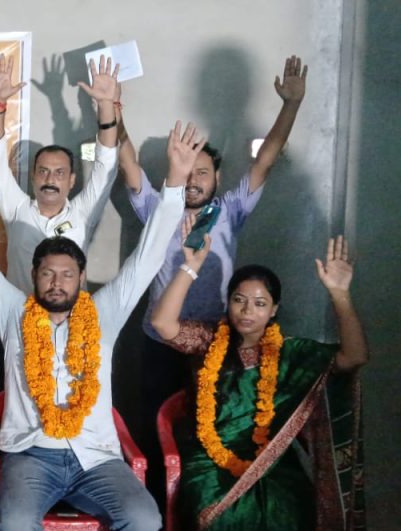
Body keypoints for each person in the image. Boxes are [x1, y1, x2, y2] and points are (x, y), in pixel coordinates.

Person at [0, 118, 201, 531]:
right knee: (15, 524)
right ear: (33, 278)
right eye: (48, 274)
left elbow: (148, 256)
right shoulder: (13, 312)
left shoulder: (104, 312)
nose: (57, 282)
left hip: (97, 458)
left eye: (67, 275)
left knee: (144, 520)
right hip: (31, 455)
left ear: (82, 278)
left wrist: (175, 181)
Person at [118, 55, 309, 457]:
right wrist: (111, 108)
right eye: (187, 170)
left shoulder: (230, 210)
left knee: (209, 433)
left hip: (214, 340)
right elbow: (128, 163)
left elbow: (265, 160)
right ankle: (157, 497)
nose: (193, 179)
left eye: (202, 172)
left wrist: (291, 105)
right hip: (160, 340)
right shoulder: (156, 208)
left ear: (217, 178)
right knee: (155, 433)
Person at [149, 232, 368, 531]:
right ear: (228, 302)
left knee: (286, 512)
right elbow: (162, 323)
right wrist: (189, 268)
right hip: (208, 460)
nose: (247, 310)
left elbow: (354, 357)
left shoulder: (291, 354)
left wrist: (340, 294)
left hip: (272, 461)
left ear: (274, 309)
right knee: (227, 518)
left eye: (260, 303)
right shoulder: (209, 340)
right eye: (239, 300)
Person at [0, 54, 122, 291]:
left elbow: (106, 164)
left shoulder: (83, 213)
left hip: (72, 314)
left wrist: (106, 106)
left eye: (59, 173)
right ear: (33, 176)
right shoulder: (16, 210)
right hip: (20, 312)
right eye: (43, 171)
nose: (50, 179)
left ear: (71, 180)